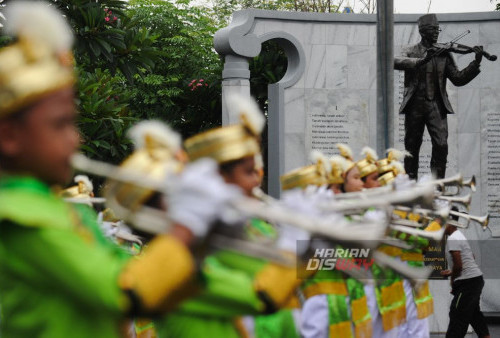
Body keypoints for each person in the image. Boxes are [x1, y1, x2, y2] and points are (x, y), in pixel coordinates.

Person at [0, 3, 238, 337]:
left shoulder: (52, 210)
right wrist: (185, 227)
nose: (76, 138)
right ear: (9, 136)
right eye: (60, 124)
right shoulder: (21, 218)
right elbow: (126, 292)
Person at [394, 14, 483, 180]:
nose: (436, 33)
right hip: (414, 106)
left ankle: (437, 188)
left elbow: (458, 78)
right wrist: (421, 60)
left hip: (436, 105)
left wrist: (475, 62)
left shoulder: (444, 53)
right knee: (411, 147)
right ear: (422, 31)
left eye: (437, 29)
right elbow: (395, 61)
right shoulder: (411, 50)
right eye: (432, 29)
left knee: (441, 145)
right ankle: (410, 186)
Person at [440, 215, 490, 338]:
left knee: (457, 314)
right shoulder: (459, 235)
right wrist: (452, 272)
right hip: (474, 280)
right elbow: (470, 257)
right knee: (474, 315)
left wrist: (452, 279)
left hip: (468, 283)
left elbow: (459, 263)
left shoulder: (453, 238)